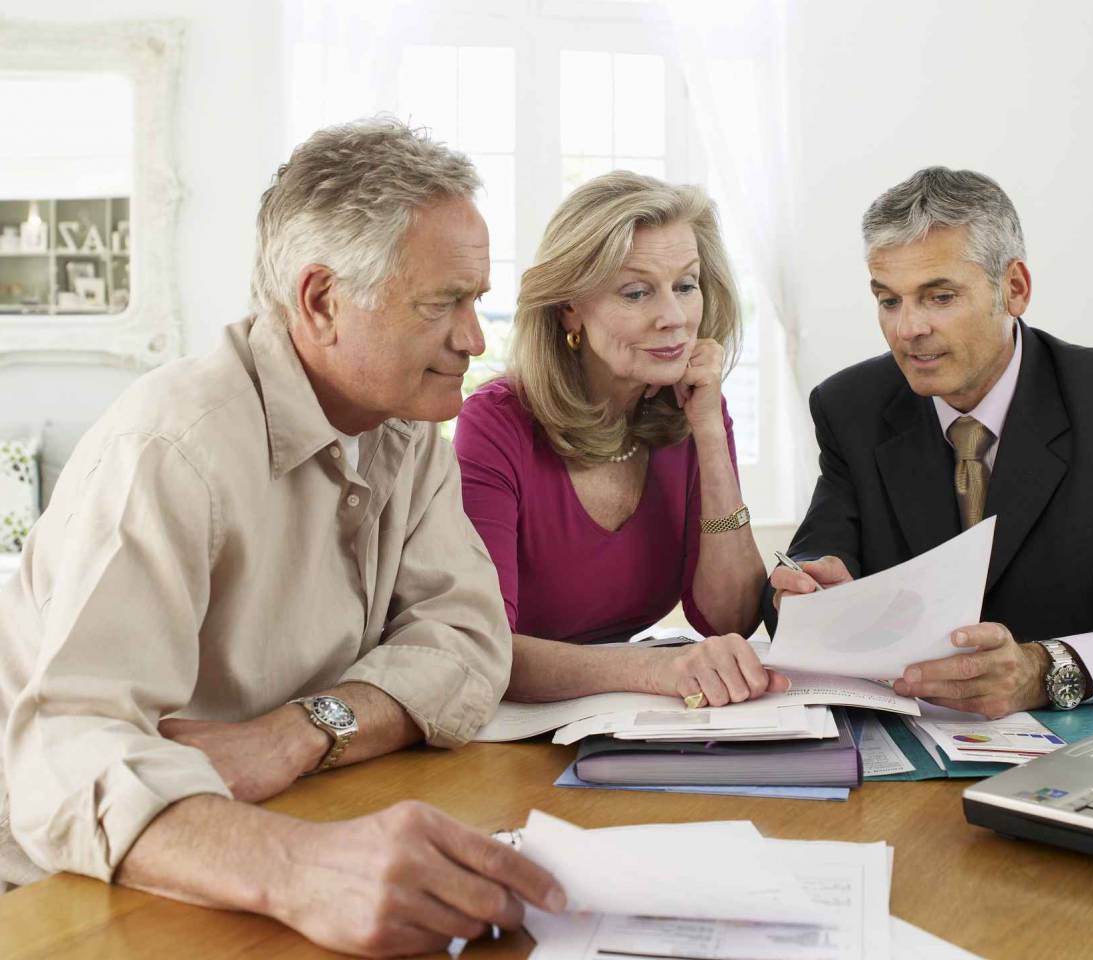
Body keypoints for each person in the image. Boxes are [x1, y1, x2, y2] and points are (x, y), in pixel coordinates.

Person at [0, 119, 564, 956]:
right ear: (321, 301)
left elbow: (469, 641)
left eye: (476, 300)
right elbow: (65, 757)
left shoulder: (406, 433)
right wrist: (303, 868)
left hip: (280, 829)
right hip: (76, 889)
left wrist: (302, 731)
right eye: (443, 302)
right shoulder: (170, 450)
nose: (475, 340)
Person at [765, 166, 1093, 718]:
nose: (908, 329)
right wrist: (811, 591)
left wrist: (1048, 670)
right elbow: (819, 557)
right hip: (914, 739)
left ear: (1015, 289)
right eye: (889, 300)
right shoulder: (849, 407)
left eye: (939, 297)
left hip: (1088, 747)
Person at [454, 172, 779, 708]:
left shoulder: (693, 408)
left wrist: (709, 437)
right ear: (569, 307)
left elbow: (731, 617)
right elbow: (484, 650)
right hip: (504, 728)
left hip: (614, 715)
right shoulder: (495, 424)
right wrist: (657, 668)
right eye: (636, 292)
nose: (673, 318)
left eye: (686, 285)